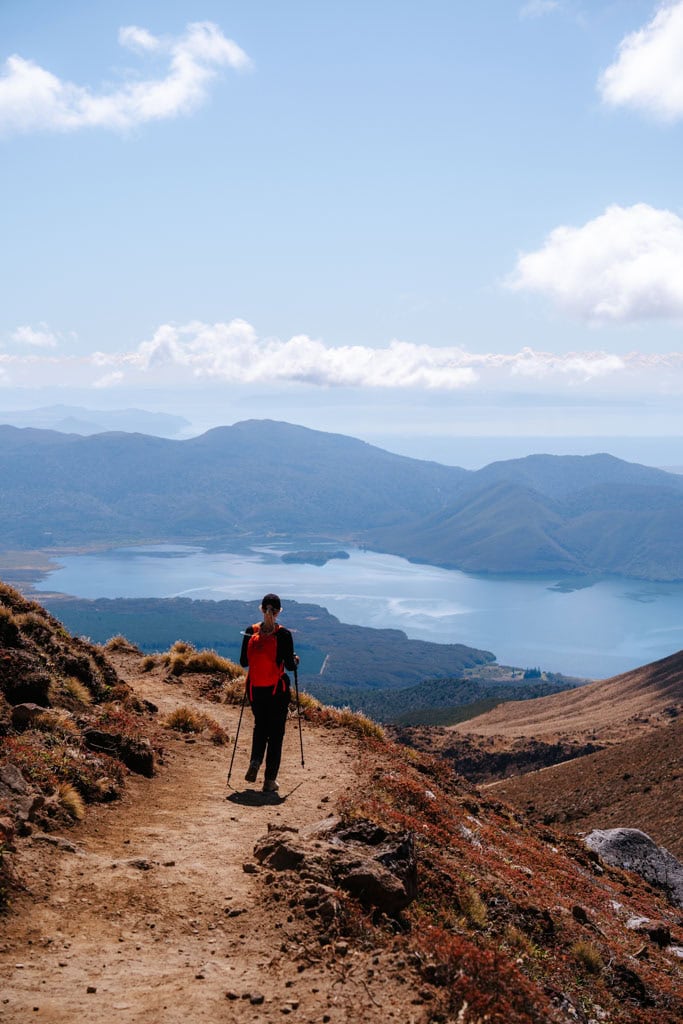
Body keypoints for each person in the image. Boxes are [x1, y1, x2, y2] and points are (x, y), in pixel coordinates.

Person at [240, 593, 298, 792]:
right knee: (276, 735)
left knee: (260, 727)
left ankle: (255, 761)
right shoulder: (283, 634)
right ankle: (269, 781)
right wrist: (294, 660)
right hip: (277, 693)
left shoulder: (251, 631)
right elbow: (289, 666)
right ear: (279, 611)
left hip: (256, 691)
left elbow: (243, 662)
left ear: (262, 609)